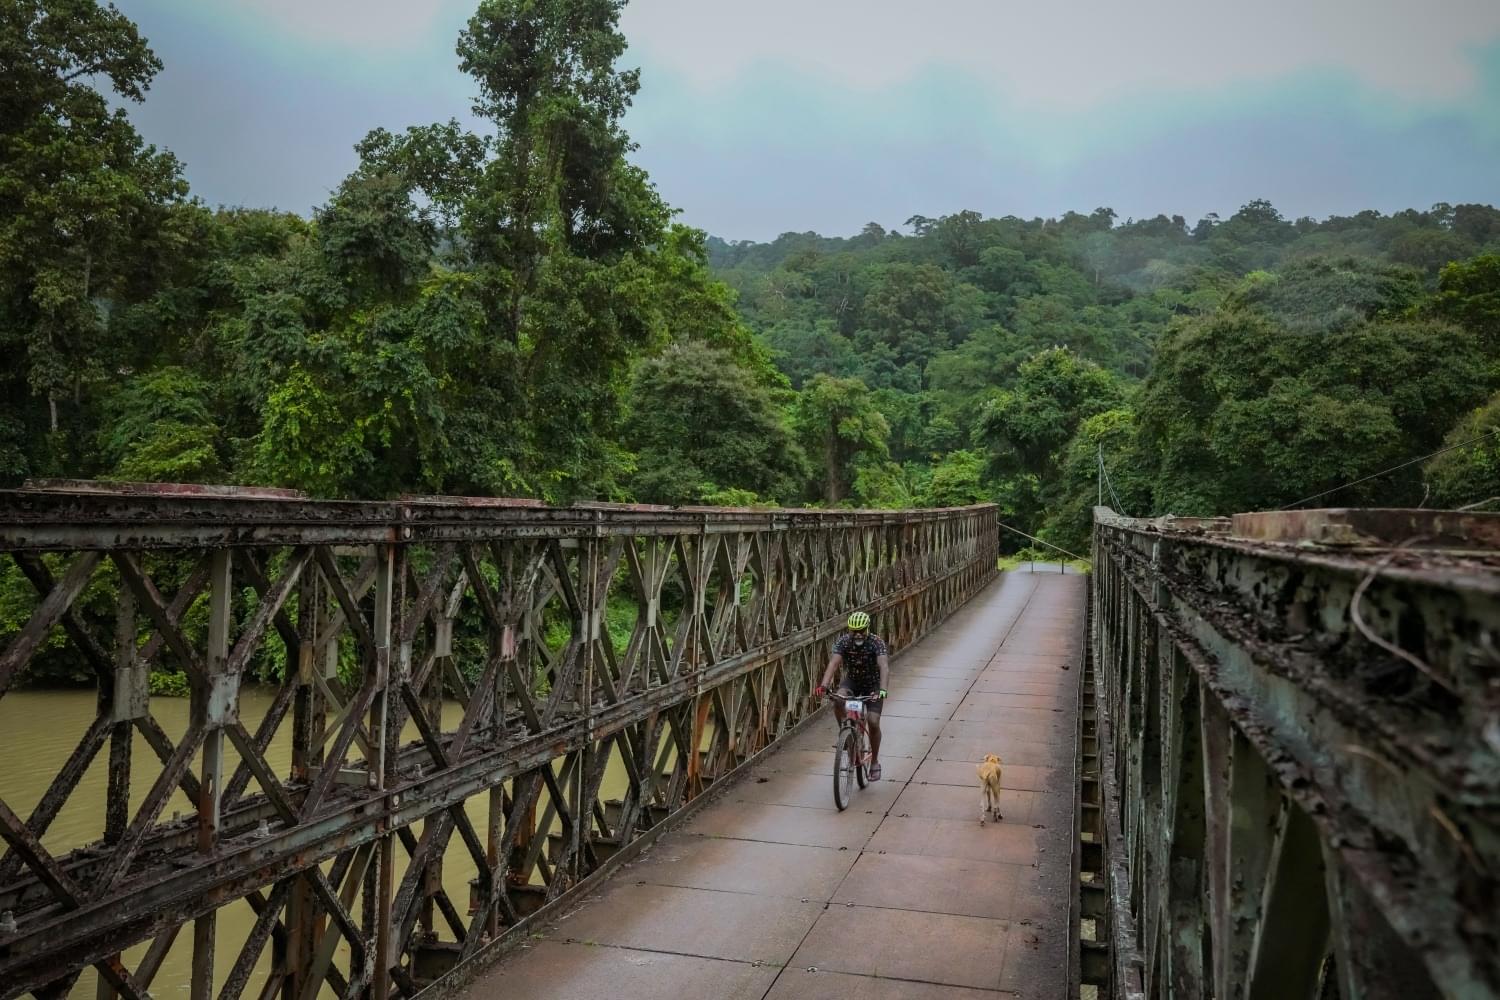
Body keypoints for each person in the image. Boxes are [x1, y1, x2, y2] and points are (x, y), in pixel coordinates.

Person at [814, 611, 890, 780]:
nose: (857, 634)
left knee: (873, 721)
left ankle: (875, 762)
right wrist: (824, 685)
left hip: (873, 684)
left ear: (867, 629)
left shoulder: (876, 643)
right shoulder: (844, 642)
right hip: (853, 682)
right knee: (838, 699)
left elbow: (884, 666)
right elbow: (833, 663)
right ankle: (845, 732)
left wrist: (882, 689)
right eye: (853, 630)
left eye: (861, 630)